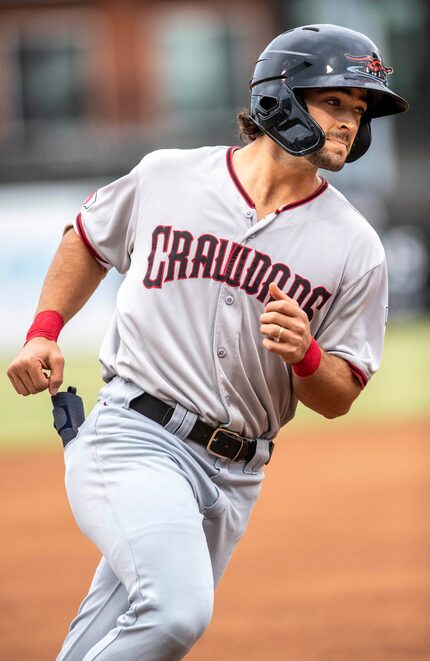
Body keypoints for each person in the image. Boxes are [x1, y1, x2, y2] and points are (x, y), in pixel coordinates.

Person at [7, 24, 408, 661]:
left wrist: (306, 356)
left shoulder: (356, 247)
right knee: (175, 611)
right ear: (279, 97)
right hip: (136, 436)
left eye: (359, 111)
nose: (349, 124)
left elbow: (338, 397)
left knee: (121, 628)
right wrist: (42, 334)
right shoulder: (170, 177)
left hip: (236, 473)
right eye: (334, 102)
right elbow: (87, 236)